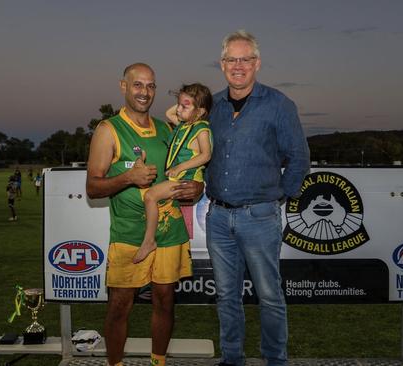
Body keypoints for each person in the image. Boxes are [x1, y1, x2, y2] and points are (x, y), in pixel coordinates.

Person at [86, 62, 203, 366]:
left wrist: (197, 190)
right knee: (119, 306)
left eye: (151, 86)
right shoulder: (108, 130)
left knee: (165, 301)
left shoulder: (167, 130)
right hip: (129, 235)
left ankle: (158, 362)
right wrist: (128, 178)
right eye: (138, 84)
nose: (145, 92)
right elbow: (92, 188)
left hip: (170, 231)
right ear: (123, 86)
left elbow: (190, 169)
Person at [205, 30, 310, 366]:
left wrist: (280, 196)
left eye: (245, 59)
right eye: (232, 59)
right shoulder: (213, 108)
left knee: (269, 295)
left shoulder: (279, 104)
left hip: (259, 218)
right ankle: (232, 357)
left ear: (257, 63)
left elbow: (299, 157)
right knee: (226, 296)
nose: (239, 66)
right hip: (218, 217)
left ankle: (275, 359)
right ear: (222, 64)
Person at [133, 83, 213, 264]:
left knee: (150, 196)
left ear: (200, 112)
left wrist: (180, 167)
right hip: (177, 177)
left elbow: (206, 155)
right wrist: (184, 99)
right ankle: (151, 238)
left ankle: (149, 241)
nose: (178, 109)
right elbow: (169, 114)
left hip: (187, 179)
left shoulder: (201, 129)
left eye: (185, 106)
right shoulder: (185, 126)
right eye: (178, 104)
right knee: (152, 199)